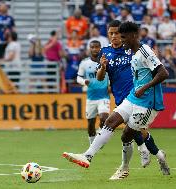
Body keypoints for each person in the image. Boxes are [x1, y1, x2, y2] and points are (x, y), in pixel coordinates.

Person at [63, 21, 170, 179]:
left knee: (127, 135)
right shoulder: (127, 53)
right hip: (132, 97)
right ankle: (87, 156)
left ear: (133, 36)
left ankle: (128, 166)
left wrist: (144, 87)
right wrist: (103, 68)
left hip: (147, 103)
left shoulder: (144, 51)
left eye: (123, 37)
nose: (120, 40)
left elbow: (164, 73)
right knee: (110, 121)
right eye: (115, 35)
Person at [77, 40, 110, 145]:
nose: (95, 49)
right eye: (93, 47)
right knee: (91, 124)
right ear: (89, 49)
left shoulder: (106, 61)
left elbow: (112, 75)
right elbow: (78, 77)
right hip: (91, 98)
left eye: (97, 47)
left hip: (104, 96)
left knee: (104, 119)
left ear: (100, 48)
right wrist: (84, 82)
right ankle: (92, 144)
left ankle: (99, 139)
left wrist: (111, 85)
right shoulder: (84, 63)